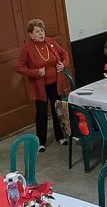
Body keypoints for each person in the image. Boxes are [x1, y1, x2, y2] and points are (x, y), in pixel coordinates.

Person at [14, 18, 68, 149]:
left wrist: (63, 64)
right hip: (40, 86)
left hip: (55, 83)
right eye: (37, 31)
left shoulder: (50, 42)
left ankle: (60, 136)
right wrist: (36, 72)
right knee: (42, 113)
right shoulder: (28, 48)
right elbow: (18, 67)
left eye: (42, 30)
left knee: (57, 110)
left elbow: (64, 53)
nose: (41, 34)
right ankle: (41, 141)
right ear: (31, 34)